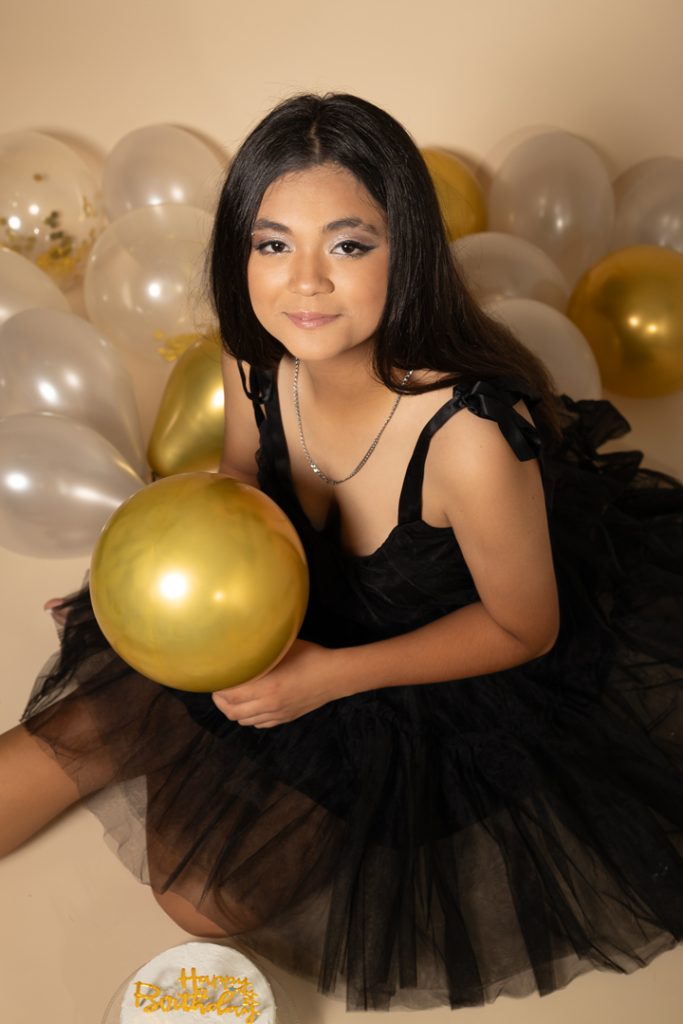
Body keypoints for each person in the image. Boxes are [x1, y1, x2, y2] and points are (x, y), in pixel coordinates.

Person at [1, 93, 682, 1012]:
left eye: (350, 245)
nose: (306, 283)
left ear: (407, 252)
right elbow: (239, 488)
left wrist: (325, 677)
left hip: (413, 659)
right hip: (276, 603)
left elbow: (524, 628)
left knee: (198, 896)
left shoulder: (471, 436)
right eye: (273, 244)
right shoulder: (253, 357)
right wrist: (144, 592)